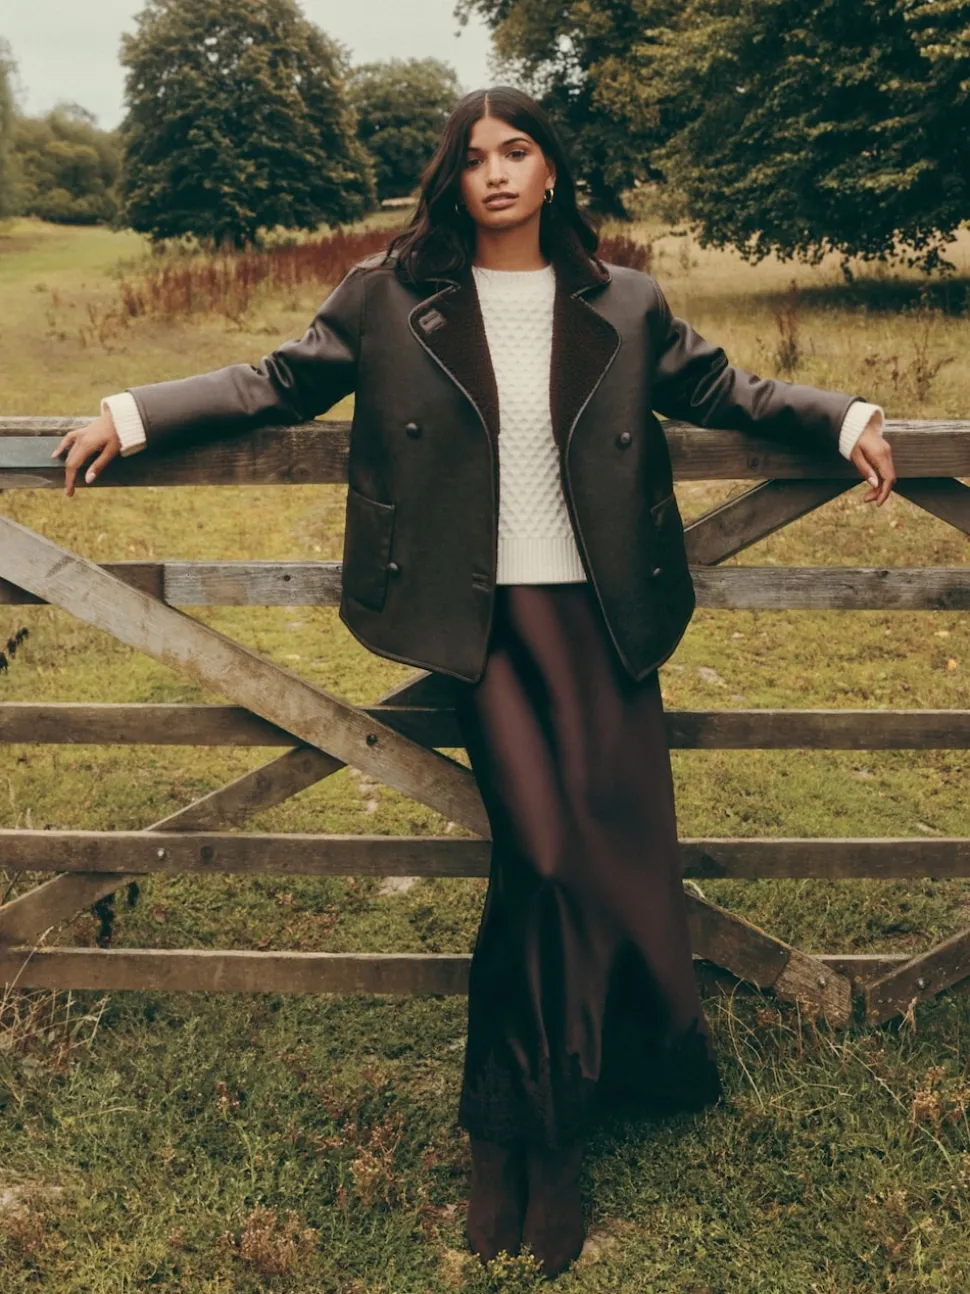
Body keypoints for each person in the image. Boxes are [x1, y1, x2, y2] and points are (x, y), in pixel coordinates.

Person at [53, 86, 896, 1280]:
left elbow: (727, 391)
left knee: (598, 864)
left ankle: (528, 1126)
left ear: (552, 172)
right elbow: (276, 380)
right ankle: (529, 1135)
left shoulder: (625, 300)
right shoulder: (390, 296)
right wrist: (131, 414)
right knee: (544, 857)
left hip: (606, 616)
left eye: (517, 151)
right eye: (473, 157)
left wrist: (845, 415)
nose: (495, 172)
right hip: (480, 621)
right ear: (451, 178)